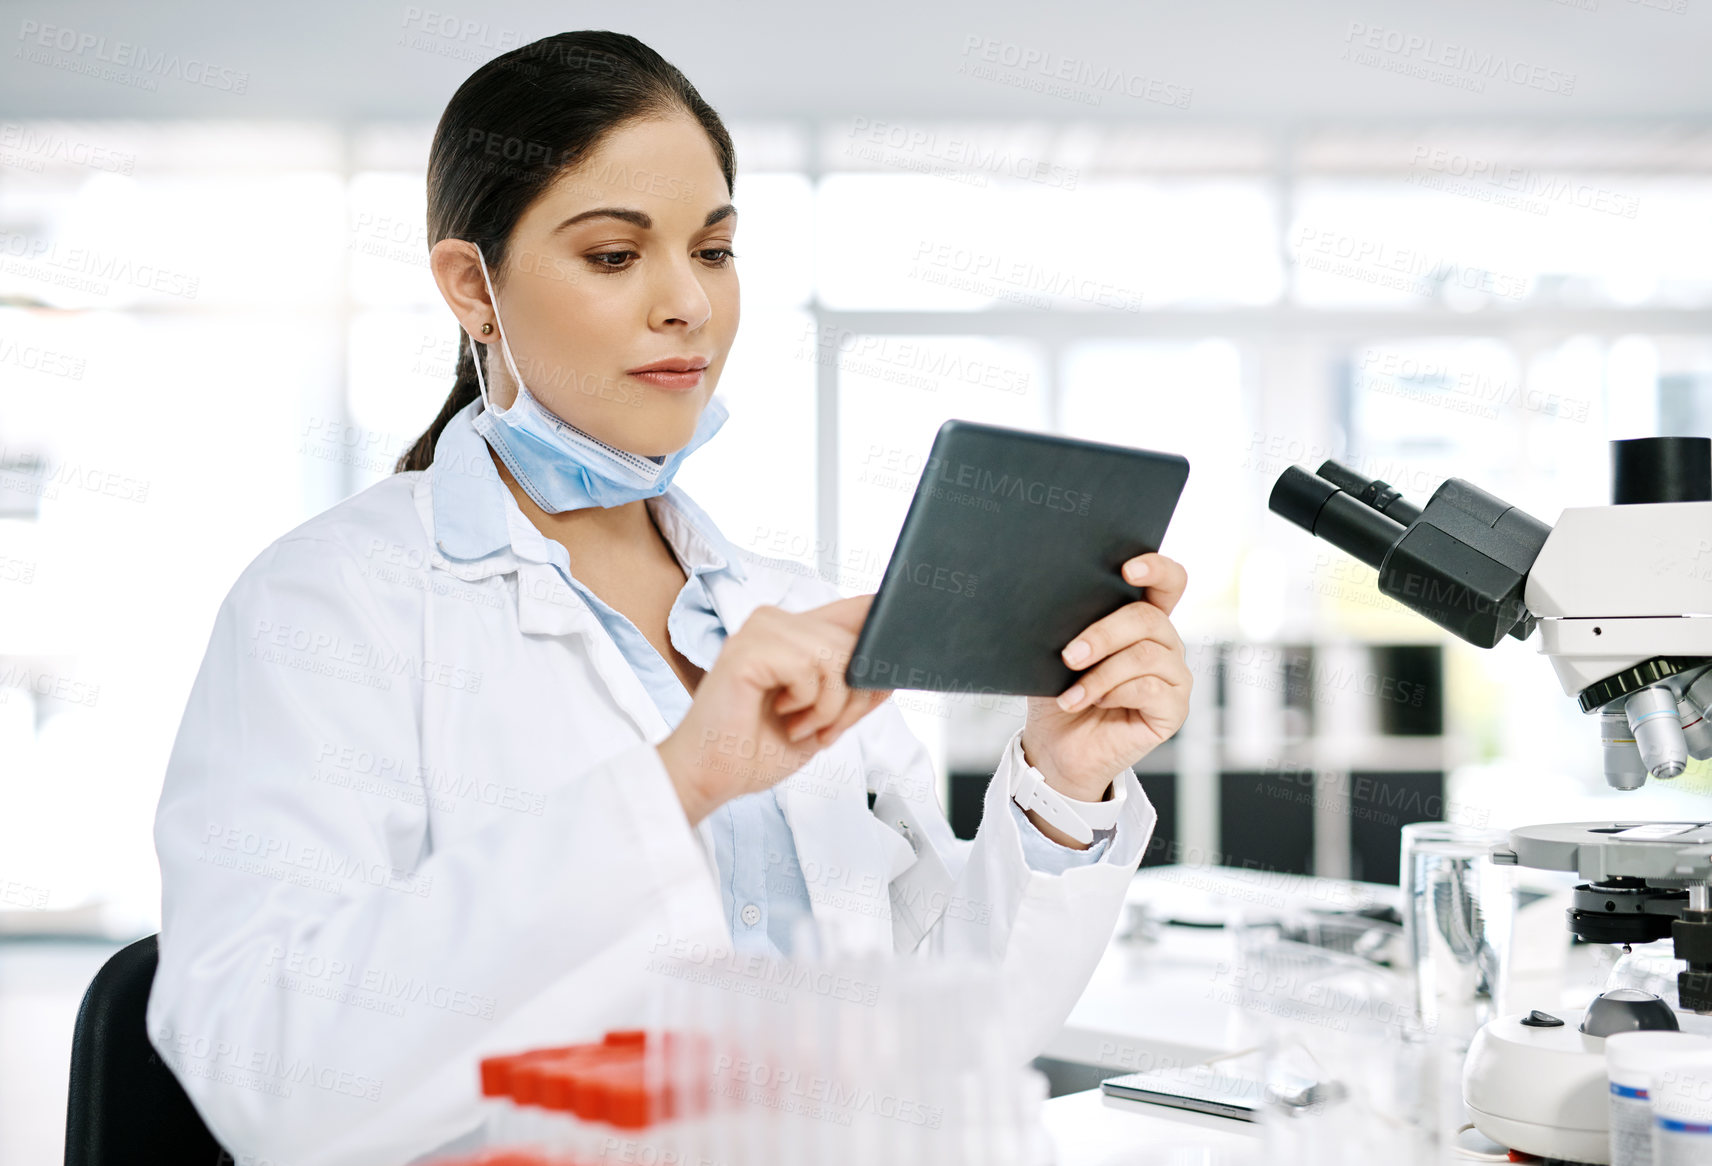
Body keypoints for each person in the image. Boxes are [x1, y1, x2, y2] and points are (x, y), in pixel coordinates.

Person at [146, 30, 1193, 1166]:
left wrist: (1062, 782)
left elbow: (946, 1040)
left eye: (713, 249)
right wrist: (674, 786)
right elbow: (272, 1081)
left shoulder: (781, 613)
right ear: (471, 287)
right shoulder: (332, 608)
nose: (686, 302)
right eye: (611, 256)